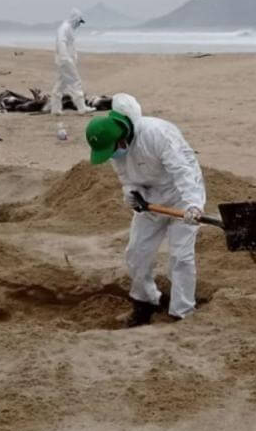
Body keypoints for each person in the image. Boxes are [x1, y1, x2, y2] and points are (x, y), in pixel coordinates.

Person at [84, 93, 206, 325]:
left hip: (181, 194)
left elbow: (183, 171)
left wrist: (192, 205)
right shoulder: (115, 149)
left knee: (181, 256)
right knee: (137, 252)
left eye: (112, 150)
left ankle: (182, 312)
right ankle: (145, 302)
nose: (112, 155)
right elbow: (125, 175)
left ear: (121, 138)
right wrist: (131, 193)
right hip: (150, 198)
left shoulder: (157, 134)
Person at [49, 8, 88, 114]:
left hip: (65, 60)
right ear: (75, 19)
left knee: (61, 83)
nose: (79, 24)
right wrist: (66, 58)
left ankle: (55, 108)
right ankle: (82, 107)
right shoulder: (64, 28)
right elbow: (61, 43)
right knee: (76, 81)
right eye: (79, 22)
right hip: (65, 60)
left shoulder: (68, 28)